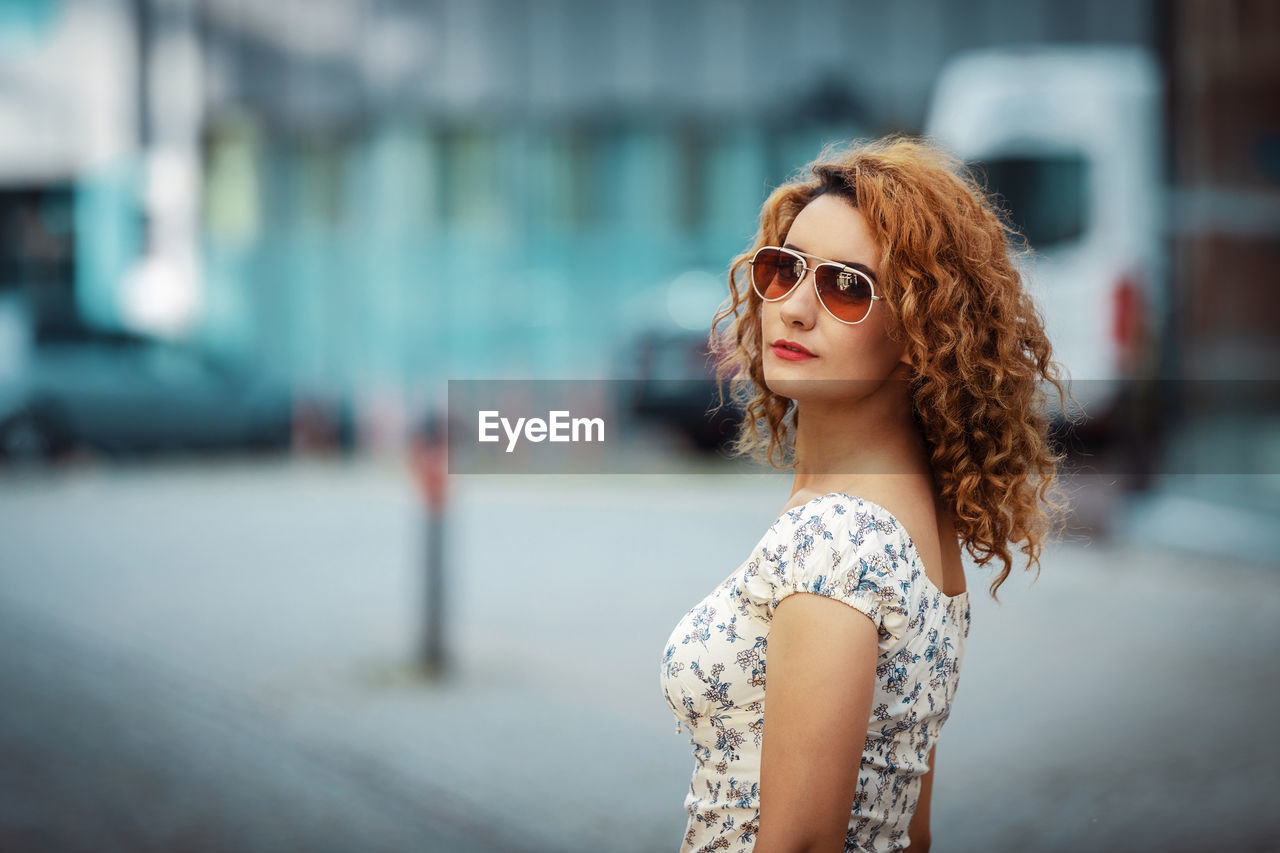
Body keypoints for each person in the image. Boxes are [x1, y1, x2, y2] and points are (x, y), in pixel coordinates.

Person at [658, 134, 1072, 852]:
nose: (793, 308)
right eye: (784, 270)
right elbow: (912, 832)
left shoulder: (838, 539)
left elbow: (803, 843)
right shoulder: (917, 521)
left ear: (921, 329)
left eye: (847, 286)